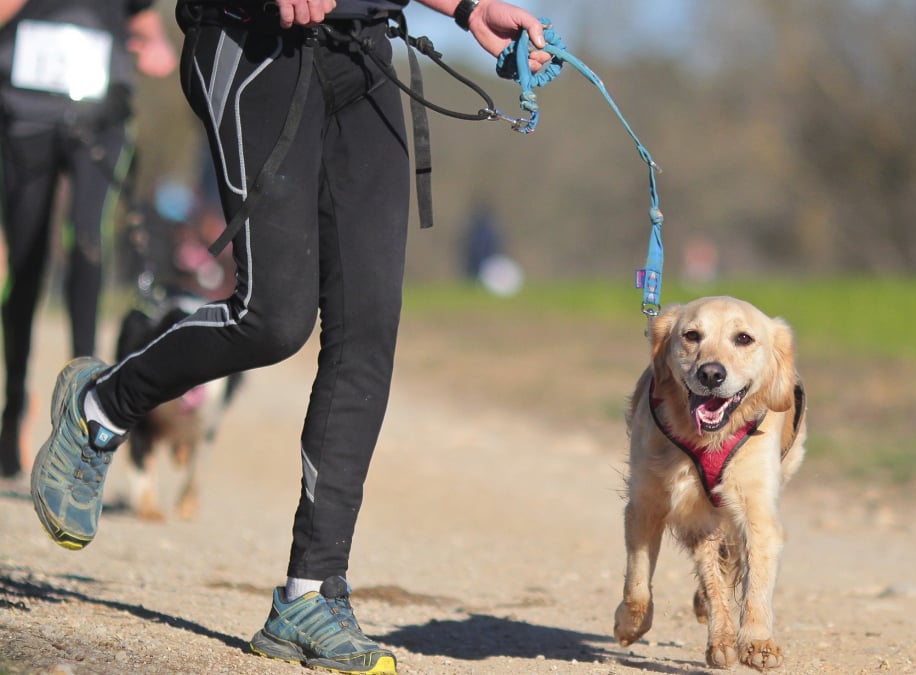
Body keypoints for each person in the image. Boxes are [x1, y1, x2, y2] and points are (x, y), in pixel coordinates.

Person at [28, 1, 549, 673]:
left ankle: (309, 593)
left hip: (363, 51)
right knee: (272, 318)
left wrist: (469, 8)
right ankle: (101, 403)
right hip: (252, 42)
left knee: (367, 332)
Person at [0, 0, 177, 479]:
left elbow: (143, 22)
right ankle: (14, 403)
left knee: (87, 244)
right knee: (27, 263)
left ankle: (81, 413)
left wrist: (156, 45)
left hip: (100, 118)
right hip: (23, 118)